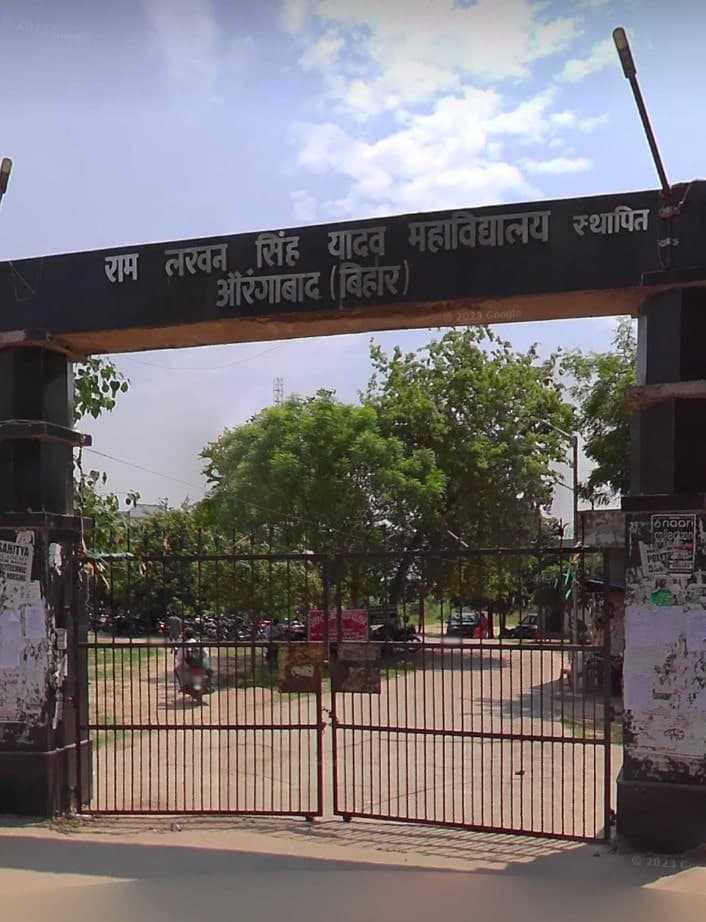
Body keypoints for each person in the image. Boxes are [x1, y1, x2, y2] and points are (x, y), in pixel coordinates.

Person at [174, 626, 213, 691]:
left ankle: (184, 685)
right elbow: (206, 654)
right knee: (208, 669)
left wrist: (177, 653)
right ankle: (209, 685)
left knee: (177, 669)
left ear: (185, 635)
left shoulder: (184, 644)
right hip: (201, 664)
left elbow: (179, 658)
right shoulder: (198, 642)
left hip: (190, 664)